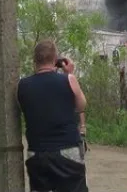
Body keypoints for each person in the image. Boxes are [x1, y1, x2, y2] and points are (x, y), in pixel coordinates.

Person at [17, 40, 89, 192]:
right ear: (56, 59)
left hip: (37, 153)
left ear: (35, 60)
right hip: (67, 151)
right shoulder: (68, 80)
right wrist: (69, 73)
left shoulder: (22, 85)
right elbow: (81, 106)